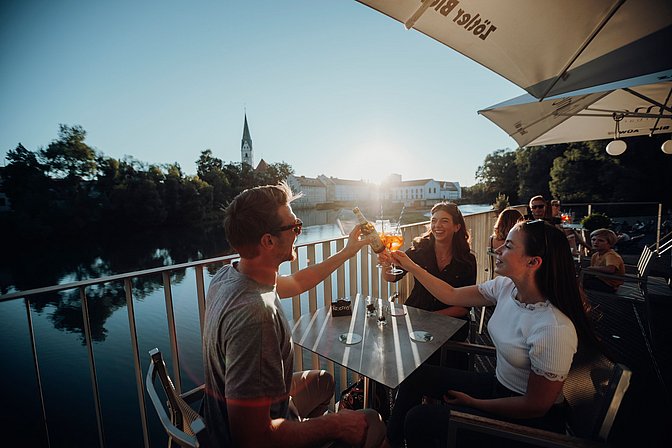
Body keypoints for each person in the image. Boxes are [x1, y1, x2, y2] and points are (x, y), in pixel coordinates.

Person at [381, 219, 598, 447]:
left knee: (420, 419)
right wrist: (410, 265)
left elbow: (535, 407)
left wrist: (474, 403)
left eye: (509, 246)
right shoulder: (506, 288)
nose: (497, 248)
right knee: (415, 375)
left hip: (527, 424)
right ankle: (388, 442)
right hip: (498, 385)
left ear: (533, 262)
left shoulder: (552, 327)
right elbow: (452, 295)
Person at [202, 182, 386, 448]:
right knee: (372, 420)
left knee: (323, 382)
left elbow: (298, 283)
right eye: (295, 226)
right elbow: (253, 439)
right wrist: (334, 424)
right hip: (253, 437)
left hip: (230, 416)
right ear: (268, 241)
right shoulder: (255, 314)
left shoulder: (230, 276)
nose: (299, 231)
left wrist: (347, 252)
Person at [380, 202, 476, 368]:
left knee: (443, 365)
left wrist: (428, 318)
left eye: (444, 221)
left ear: (456, 227)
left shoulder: (467, 260)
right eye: (434, 220)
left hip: (448, 323)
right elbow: (392, 277)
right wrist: (385, 265)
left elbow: (463, 308)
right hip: (415, 315)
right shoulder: (419, 250)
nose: (437, 225)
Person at [581, 228, 625, 293]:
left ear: (610, 244)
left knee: (579, 283)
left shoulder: (611, 255)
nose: (595, 242)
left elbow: (611, 269)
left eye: (601, 241)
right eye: (593, 239)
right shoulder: (595, 255)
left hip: (610, 285)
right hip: (600, 280)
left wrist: (591, 268)